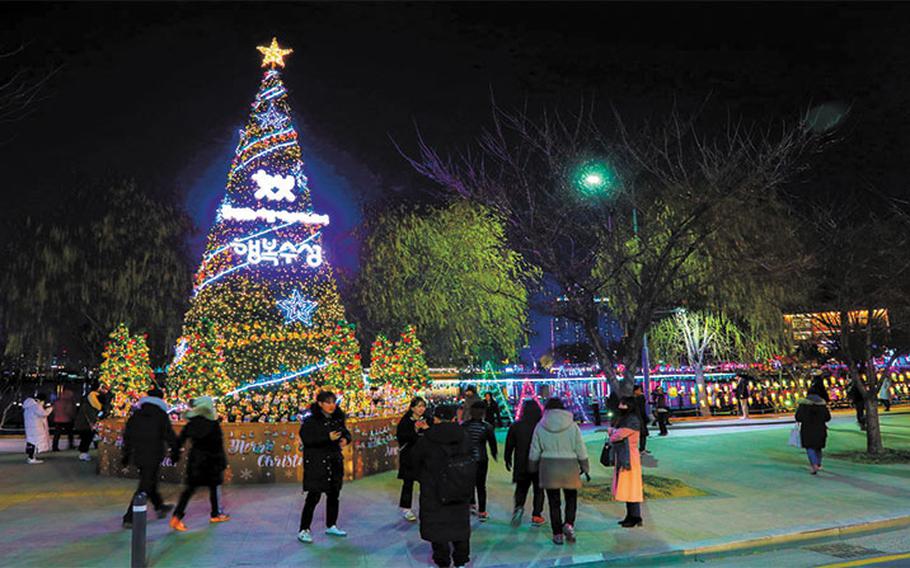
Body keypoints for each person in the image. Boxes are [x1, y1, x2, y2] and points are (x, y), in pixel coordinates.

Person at [413, 404, 474, 568]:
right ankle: (461, 560)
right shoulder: (464, 436)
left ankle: (442, 560)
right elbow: (472, 459)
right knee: (459, 525)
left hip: (434, 490)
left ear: (435, 419)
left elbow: (414, 463)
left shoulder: (426, 439)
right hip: (459, 487)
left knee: (437, 526)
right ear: (455, 418)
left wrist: (425, 479)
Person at [529, 398, 590, 545]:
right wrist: (585, 466)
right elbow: (580, 447)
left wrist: (532, 466)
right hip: (569, 466)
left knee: (554, 502)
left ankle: (557, 533)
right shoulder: (572, 425)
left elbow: (535, 449)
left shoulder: (540, 426)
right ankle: (569, 524)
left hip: (549, 466)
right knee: (571, 499)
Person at [297, 390, 352, 543]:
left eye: (333, 402)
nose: (331, 405)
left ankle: (331, 524)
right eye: (327, 402)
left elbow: (346, 433)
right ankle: (304, 529)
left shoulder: (337, 419)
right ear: (320, 404)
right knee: (313, 496)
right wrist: (326, 437)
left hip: (334, 461)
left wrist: (346, 439)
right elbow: (307, 439)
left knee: (334, 495)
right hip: (317, 463)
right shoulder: (311, 421)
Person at [169, 397, 230, 531]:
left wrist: (175, 456)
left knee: (189, 490)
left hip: (196, 461)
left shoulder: (191, 424)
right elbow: (218, 446)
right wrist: (224, 465)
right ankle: (215, 514)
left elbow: (179, 442)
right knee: (214, 487)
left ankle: (176, 517)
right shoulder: (214, 425)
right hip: (212, 462)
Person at [121, 387, 178, 528]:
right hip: (154, 454)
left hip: (138, 454)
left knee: (148, 480)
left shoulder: (136, 415)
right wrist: (175, 452)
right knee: (144, 485)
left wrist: (126, 455)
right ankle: (129, 517)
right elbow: (169, 435)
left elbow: (127, 437)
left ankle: (159, 507)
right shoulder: (161, 415)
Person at [504, 399, 545, 527]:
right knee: (539, 490)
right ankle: (536, 515)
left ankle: (519, 507)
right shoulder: (542, 426)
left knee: (521, 488)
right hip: (539, 463)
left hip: (521, 462)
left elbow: (509, 445)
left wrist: (507, 459)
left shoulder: (516, 426)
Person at [609, 396, 644, 527]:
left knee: (632, 488)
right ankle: (630, 515)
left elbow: (618, 435)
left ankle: (635, 517)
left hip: (629, 458)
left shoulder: (632, 420)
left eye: (623, 404)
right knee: (627, 487)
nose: (620, 407)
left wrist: (612, 432)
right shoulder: (627, 419)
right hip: (625, 457)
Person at [396, 396, 430, 522]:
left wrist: (426, 429)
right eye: (419, 406)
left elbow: (433, 435)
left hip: (424, 456)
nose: (421, 409)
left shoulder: (428, 419)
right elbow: (401, 437)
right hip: (409, 456)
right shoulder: (405, 421)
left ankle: (426, 507)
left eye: (423, 406)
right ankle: (406, 508)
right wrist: (415, 429)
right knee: (408, 482)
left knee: (425, 482)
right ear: (412, 408)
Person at [463, 400, 498, 521]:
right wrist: (494, 454)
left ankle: (471, 504)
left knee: (469, 482)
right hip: (482, 458)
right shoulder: (487, 427)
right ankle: (482, 511)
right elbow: (492, 444)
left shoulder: (465, 426)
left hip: (468, 458)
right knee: (481, 485)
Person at [795, 390, 831, 475]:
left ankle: (814, 464)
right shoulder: (822, 405)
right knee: (818, 447)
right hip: (820, 429)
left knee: (809, 447)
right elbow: (828, 418)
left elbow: (798, 417)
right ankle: (818, 463)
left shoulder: (803, 405)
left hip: (807, 429)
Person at [75, 381, 107, 461]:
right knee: (86, 438)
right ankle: (83, 453)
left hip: (84, 423)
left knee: (86, 438)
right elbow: (91, 414)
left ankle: (83, 453)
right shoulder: (92, 401)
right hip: (86, 424)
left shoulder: (89, 399)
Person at [23, 393, 52, 464]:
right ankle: (31, 458)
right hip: (36, 428)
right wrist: (49, 409)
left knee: (31, 442)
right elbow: (43, 413)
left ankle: (31, 457)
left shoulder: (28, 406)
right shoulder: (36, 406)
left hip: (30, 428)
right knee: (35, 443)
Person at [632, 385, 650, 453]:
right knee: (642, 434)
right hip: (639, 419)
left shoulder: (632, 399)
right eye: (639, 390)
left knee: (640, 435)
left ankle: (641, 448)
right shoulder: (640, 398)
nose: (640, 391)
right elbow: (642, 410)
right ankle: (641, 449)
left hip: (635, 419)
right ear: (635, 391)